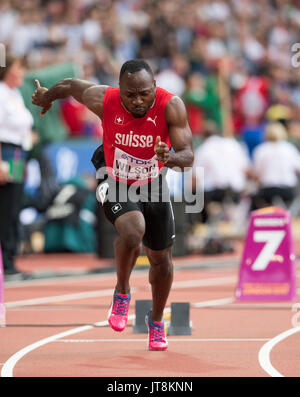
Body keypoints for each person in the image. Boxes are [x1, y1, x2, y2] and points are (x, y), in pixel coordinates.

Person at [32, 59, 194, 351]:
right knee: (133, 232)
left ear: (154, 88)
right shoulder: (103, 98)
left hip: (153, 183)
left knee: (162, 261)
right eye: (129, 94)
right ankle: (122, 291)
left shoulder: (171, 106)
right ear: (119, 90)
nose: (137, 100)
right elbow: (69, 85)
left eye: (144, 93)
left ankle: (156, 321)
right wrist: (47, 97)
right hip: (113, 176)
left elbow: (188, 155)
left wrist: (170, 158)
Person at [0, 54, 35, 279]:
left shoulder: (14, 94)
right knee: (5, 207)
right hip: (5, 153)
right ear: (7, 71)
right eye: (18, 68)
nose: (22, 73)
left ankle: (10, 258)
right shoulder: (1, 93)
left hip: (17, 153)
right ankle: (5, 261)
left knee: (13, 206)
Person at [250, 122, 300, 211]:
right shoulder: (289, 148)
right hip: (287, 191)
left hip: (267, 191)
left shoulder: (261, 149)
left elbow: (257, 173)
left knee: (254, 199)